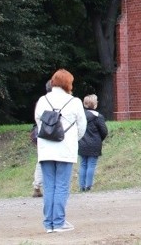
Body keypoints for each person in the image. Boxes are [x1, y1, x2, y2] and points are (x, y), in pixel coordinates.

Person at [35, 69, 87, 233]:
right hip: (65, 149)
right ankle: (59, 222)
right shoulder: (75, 102)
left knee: (49, 186)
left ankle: (48, 223)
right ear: (68, 83)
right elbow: (82, 126)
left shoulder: (43, 100)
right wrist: (72, 138)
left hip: (45, 150)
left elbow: (38, 123)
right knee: (62, 186)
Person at [77, 94, 108, 192]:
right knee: (91, 164)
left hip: (81, 143)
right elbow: (104, 131)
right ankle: (88, 185)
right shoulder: (98, 117)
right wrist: (99, 139)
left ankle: (81, 186)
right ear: (95, 104)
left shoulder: (80, 116)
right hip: (94, 143)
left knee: (83, 164)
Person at [32, 80, 52, 198]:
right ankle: (47, 186)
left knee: (41, 160)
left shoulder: (41, 101)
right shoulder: (55, 101)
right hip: (54, 135)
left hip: (42, 134)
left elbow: (37, 118)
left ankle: (37, 185)